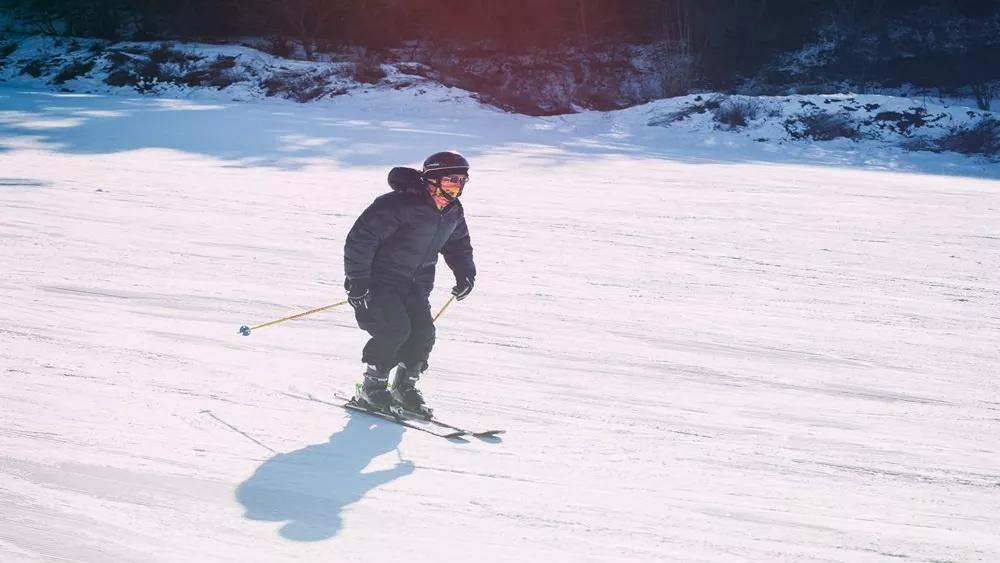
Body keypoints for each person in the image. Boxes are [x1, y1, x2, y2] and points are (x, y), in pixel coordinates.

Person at [343, 151, 477, 415]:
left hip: (416, 285)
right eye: (451, 181)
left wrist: (465, 273)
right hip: (379, 283)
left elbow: (458, 245)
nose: (457, 188)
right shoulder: (397, 205)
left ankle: (404, 388)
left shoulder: (452, 210)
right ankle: (372, 388)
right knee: (394, 330)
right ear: (432, 180)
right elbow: (360, 240)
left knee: (423, 334)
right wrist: (357, 280)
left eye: (462, 181)